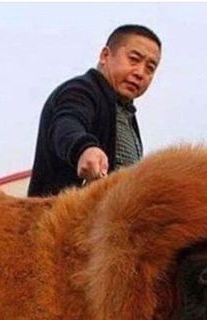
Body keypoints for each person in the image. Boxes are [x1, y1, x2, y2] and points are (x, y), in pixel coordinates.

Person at [27, 24, 161, 197]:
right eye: (134, 59)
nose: (140, 73)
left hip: (110, 218)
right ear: (105, 55)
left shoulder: (124, 112)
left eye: (150, 68)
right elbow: (67, 123)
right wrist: (84, 148)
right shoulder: (80, 91)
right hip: (62, 219)